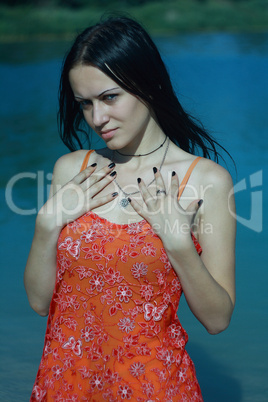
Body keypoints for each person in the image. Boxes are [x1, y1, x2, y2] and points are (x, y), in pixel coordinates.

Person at [24, 16, 236, 401]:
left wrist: (178, 244)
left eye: (109, 97)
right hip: (65, 383)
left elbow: (218, 319)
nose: (97, 118)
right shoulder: (73, 170)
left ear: (148, 83)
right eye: (85, 104)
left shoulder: (206, 181)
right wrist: (46, 223)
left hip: (154, 387)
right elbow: (40, 303)